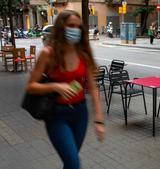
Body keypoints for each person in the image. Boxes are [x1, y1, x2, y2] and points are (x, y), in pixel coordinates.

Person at [26, 10, 105, 169]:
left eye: (78, 27)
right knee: (73, 163)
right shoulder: (48, 54)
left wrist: (99, 119)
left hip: (80, 113)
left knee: (71, 161)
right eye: (71, 26)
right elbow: (31, 86)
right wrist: (54, 85)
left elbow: (93, 87)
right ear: (61, 28)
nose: (75, 30)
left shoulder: (83, 53)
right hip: (57, 115)